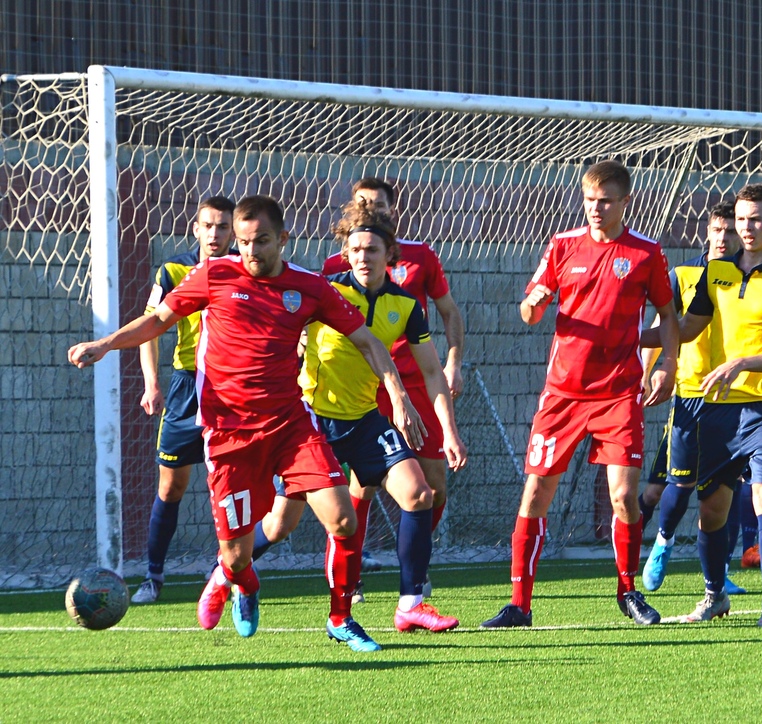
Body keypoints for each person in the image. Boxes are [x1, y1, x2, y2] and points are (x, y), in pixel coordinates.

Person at [68, 195, 425, 652]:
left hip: (290, 428)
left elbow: (368, 342)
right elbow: (158, 319)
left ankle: (340, 618)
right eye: (243, 242)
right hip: (229, 437)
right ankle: (244, 584)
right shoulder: (215, 275)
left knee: (342, 518)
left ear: (282, 239)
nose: (250, 252)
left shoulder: (310, 287)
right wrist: (105, 344)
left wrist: (397, 396)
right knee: (237, 557)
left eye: (260, 241)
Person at [481, 160, 680, 628]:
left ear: (625, 202)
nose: (596, 208)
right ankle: (519, 604)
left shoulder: (646, 253)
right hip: (562, 394)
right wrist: (531, 305)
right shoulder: (563, 245)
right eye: (590, 199)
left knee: (623, 498)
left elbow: (669, 318)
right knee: (534, 494)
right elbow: (530, 306)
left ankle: (628, 592)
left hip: (618, 393)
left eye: (606, 201)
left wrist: (667, 365)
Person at [257, 200, 467, 635]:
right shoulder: (324, 291)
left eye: (372, 250)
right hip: (314, 422)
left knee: (419, 494)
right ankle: (230, 568)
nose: (363, 258)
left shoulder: (405, 306)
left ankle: (409, 604)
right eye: (355, 250)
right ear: (346, 254)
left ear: (390, 254)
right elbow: (285, 333)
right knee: (280, 524)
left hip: (366, 419)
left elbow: (430, 371)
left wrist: (449, 430)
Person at [649, 183, 762, 627]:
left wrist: (741, 363)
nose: (747, 227)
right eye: (742, 219)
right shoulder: (714, 275)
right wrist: (625, 336)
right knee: (711, 510)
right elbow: (684, 329)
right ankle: (715, 596)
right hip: (715, 410)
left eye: (756, 219)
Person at [322, 177, 466, 593]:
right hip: (363, 388)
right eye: (362, 204)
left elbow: (449, 311)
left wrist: (453, 360)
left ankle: (415, 564)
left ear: (393, 210)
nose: (371, 210)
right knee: (360, 488)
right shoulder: (336, 269)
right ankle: (352, 576)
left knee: (434, 485)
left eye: (378, 204)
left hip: (416, 383)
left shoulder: (422, 257)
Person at [637, 201, 748, 596]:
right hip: (690, 395)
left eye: (730, 231)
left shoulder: (749, 278)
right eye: (717, 229)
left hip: (738, 400)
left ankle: (718, 571)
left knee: (727, 491)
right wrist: (647, 371)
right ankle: (658, 545)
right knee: (671, 487)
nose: (723, 238)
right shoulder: (683, 274)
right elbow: (663, 325)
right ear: (707, 230)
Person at [131, 195, 235, 604]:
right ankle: (153, 578)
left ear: (233, 230)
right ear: (195, 228)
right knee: (171, 486)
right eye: (208, 225)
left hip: (230, 390)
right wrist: (151, 384)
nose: (215, 234)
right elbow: (149, 326)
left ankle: (225, 572)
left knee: (227, 485)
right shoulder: (174, 269)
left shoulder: (246, 270)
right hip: (186, 387)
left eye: (222, 226)